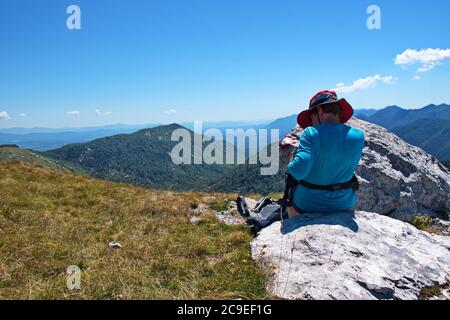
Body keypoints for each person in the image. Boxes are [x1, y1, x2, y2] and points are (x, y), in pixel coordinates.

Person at [237, 90, 365, 233]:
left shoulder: (311, 133)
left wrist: (292, 159)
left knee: (287, 203)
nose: (311, 122)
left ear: (320, 110)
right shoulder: (358, 136)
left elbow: (298, 171)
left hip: (308, 204)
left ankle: (263, 220)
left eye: (311, 117)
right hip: (344, 203)